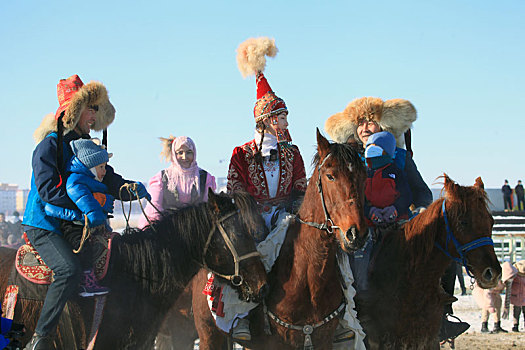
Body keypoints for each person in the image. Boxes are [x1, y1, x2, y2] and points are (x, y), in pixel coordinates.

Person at [22, 74, 150, 350]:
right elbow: (48, 192)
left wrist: (127, 189)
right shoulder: (49, 146)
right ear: (74, 111)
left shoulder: (87, 147)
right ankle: (40, 339)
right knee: (68, 270)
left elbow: (106, 178)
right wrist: (89, 207)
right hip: (45, 224)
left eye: (96, 109)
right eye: (89, 108)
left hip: (77, 224)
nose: (94, 115)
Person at [324, 97, 467, 341]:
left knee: (444, 251)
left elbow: (421, 192)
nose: (364, 128)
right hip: (362, 224)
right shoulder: (347, 158)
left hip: (400, 223)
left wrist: (420, 212)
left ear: (382, 126)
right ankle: (342, 313)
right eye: (360, 124)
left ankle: (442, 314)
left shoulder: (399, 156)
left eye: (370, 122)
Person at [212, 37, 307, 342]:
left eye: (286, 116)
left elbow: (301, 185)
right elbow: (236, 188)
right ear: (266, 120)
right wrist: (252, 215)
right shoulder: (241, 153)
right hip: (252, 218)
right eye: (281, 116)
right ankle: (241, 315)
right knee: (241, 257)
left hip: (285, 215)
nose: (286, 121)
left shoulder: (293, 151)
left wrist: (294, 206)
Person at [44, 138, 115, 297]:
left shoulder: (88, 180)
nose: (104, 171)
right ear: (89, 167)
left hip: (83, 223)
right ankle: (86, 282)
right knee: (82, 248)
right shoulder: (76, 181)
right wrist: (94, 214)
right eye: (101, 167)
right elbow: (83, 199)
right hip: (74, 225)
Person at [139, 135, 216, 228]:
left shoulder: (205, 178)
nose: (185, 157)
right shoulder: (162, 178)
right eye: (180, 153)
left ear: (194, 153)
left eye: (189, 152)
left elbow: (209, 208)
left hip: (196, 231)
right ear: (174, 155)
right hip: (168, 231)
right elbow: (154, 210)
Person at [363, 131, 412, 227]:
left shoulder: (395, 172)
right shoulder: (363, 174)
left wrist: (395, 209)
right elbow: (358, 199)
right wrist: (369, 211)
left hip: (396, 221)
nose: (371, 152)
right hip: (369, 223)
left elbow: (406, 196)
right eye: (369, 148)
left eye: (376, 149)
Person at [473, 261, 515, 333]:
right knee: (486, 308)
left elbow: (508, 293)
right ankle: (484, 326)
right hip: (483, 292)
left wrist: (506, 307)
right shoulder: (494, 278)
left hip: (495, 294)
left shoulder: (507, 281)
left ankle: (497, 326)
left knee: (498, 306)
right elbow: (487, 292)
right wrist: (490, 305)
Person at [504, 260, 525, 332]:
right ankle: (516, 325)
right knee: (517, 311)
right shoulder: (514, 275)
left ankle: (516, 325)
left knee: (517, 311)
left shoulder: (514, 275)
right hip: (518, 296)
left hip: (517, 295)